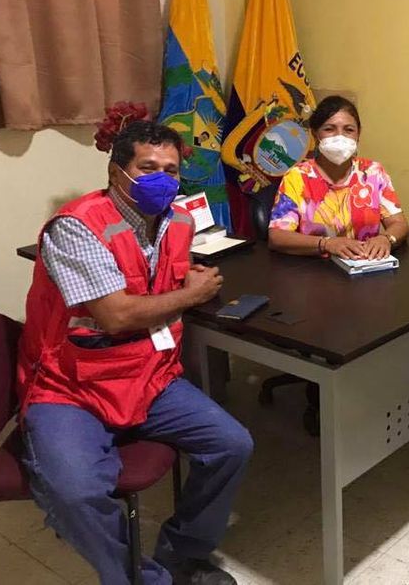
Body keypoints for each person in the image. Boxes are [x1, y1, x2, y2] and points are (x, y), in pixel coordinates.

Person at [18, 121, 253, 585]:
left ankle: (182, 554)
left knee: (232, 444)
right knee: (77, 492)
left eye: (171, 170)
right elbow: (116, 315)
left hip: (148, 374)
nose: (162, 178)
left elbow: (157, 277)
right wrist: (191, 294)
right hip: (71, 385)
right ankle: (141, 578)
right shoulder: (77, 227)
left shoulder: (179, 222)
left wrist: (185, 281)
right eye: (148, 167)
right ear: (116, 172)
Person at [268, 95, 408, 258]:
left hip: (365, 264)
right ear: (315, 134)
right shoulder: (297, 177)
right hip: (313, 267)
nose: (340, 137)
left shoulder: (373, 172)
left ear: (358, 134)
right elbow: (277, 237)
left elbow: (399, 223)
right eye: (329, 129)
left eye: (349, 130)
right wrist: (326, 244)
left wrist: (386, 239)